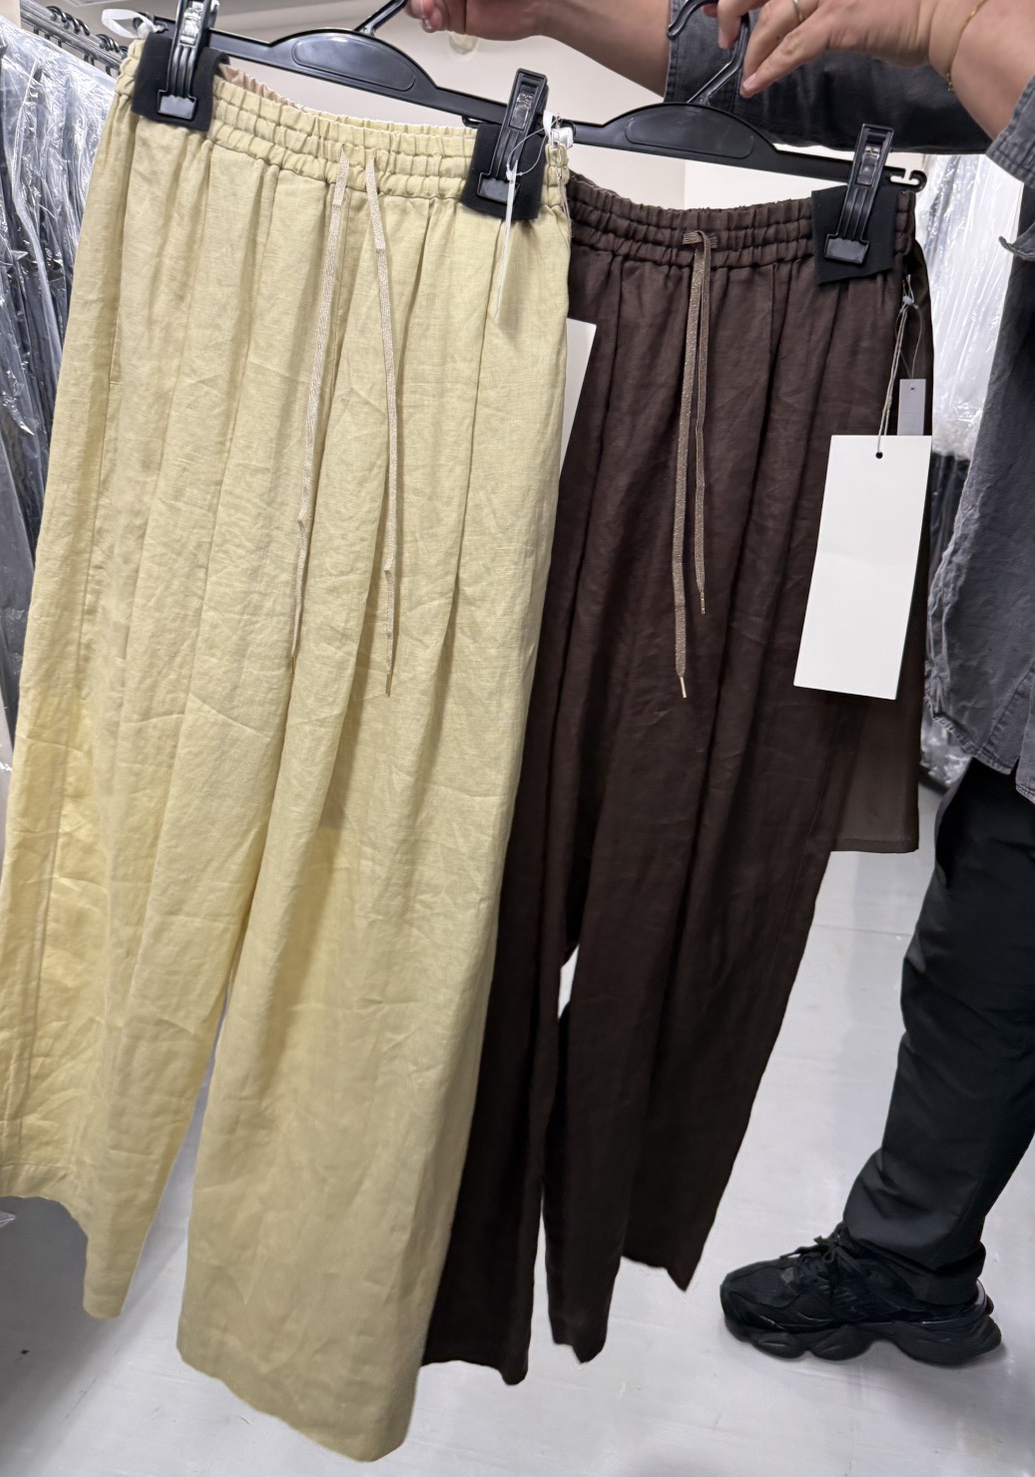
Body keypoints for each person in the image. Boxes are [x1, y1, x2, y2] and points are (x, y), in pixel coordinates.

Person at [408, 0, 1035, 1367]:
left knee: (705, 870)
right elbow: (789, 72)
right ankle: (907, 1258)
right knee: (976, 969)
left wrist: (952, 20)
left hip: (810, 333)